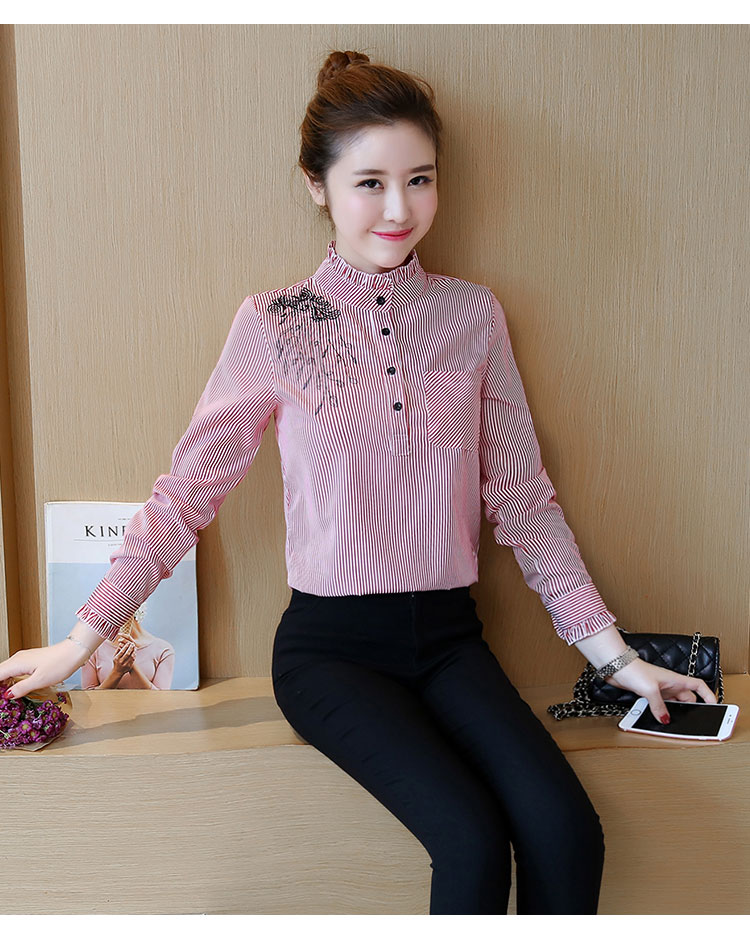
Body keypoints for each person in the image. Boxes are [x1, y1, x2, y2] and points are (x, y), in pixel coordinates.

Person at [0, 49, 717, 915]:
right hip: (330, 653)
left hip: (450, 640)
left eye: (420, 179)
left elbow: (524, 500)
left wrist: (618, 658)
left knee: (566, 830)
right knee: (470, 839)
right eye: (370, 183)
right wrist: (81, 641)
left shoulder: (472, 316)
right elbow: (186, 494)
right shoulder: (274, 323)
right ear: (318, 186)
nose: (400, 208)